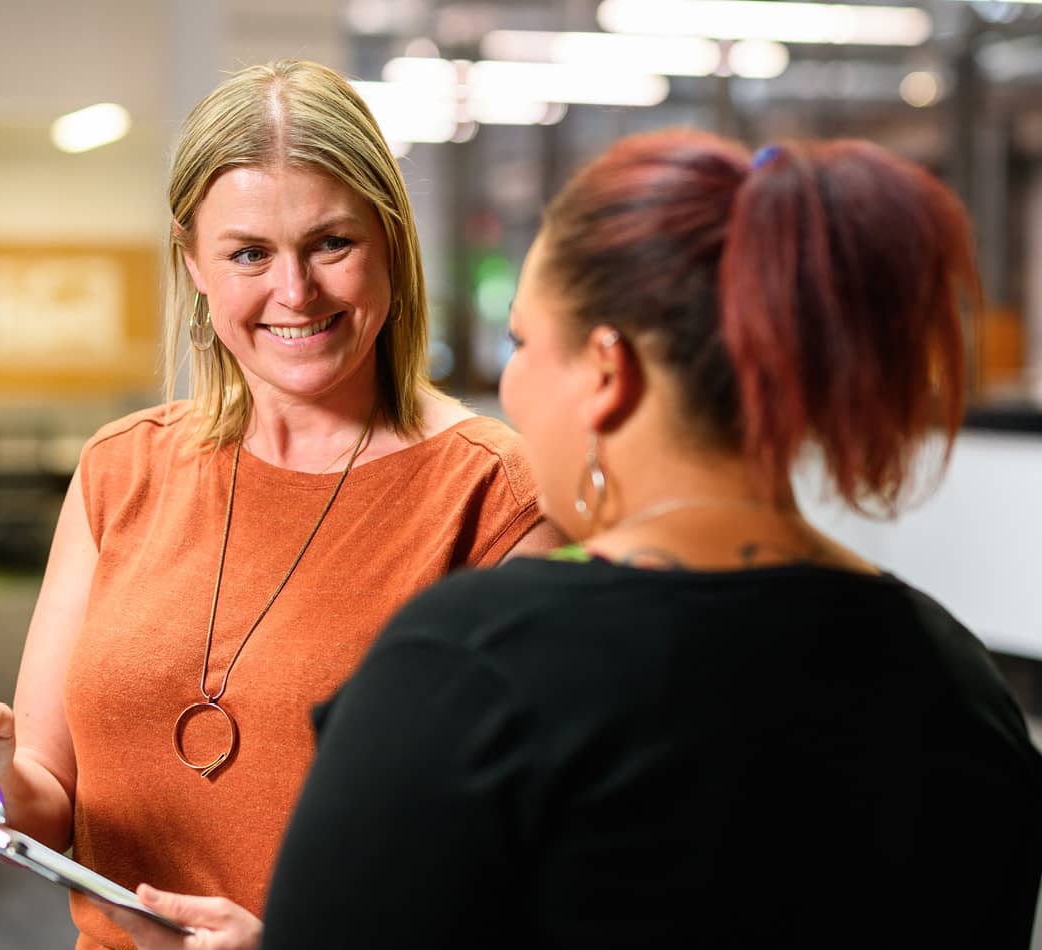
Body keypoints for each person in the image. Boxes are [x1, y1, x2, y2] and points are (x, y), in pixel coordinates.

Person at [102, 128, 1042, 948]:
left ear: (605, 372)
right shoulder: (960, 689)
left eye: (521, 344)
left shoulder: (469, 665)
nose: (509, 390)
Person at [0, 59, 559, 949]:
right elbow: (49, 807)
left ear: (392, 243)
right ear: (194, 263)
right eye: (249, 253)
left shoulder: (497, 494)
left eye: (332, 244)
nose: (295, 292)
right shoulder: (120, 469)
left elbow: (534, 865)